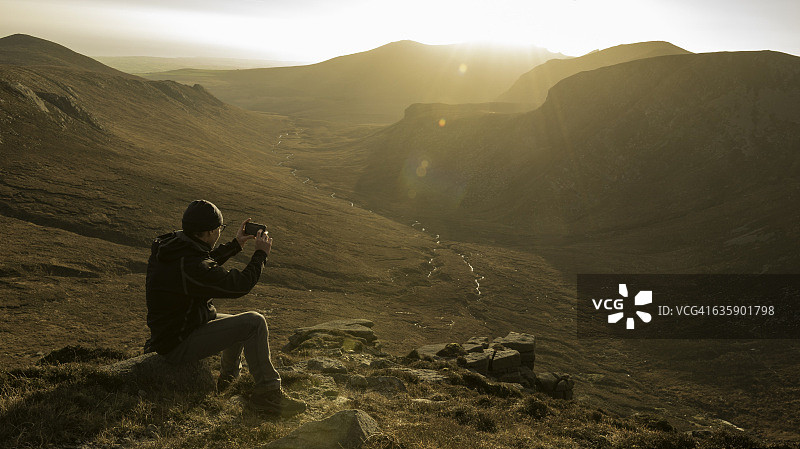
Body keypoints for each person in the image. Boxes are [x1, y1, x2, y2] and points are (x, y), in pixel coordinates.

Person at [145, 199, 306, 416]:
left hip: (176, 329)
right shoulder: (190, 264)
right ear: (210, 232)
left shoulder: (173, 246)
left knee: (239, 326)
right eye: (220, 229)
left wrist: (236, 244)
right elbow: (238, 286)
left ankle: (228, 383)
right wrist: (260, 255)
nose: (220, 232)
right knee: (253, 323)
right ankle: (268, 394)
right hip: (178, 341)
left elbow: (203, 261)